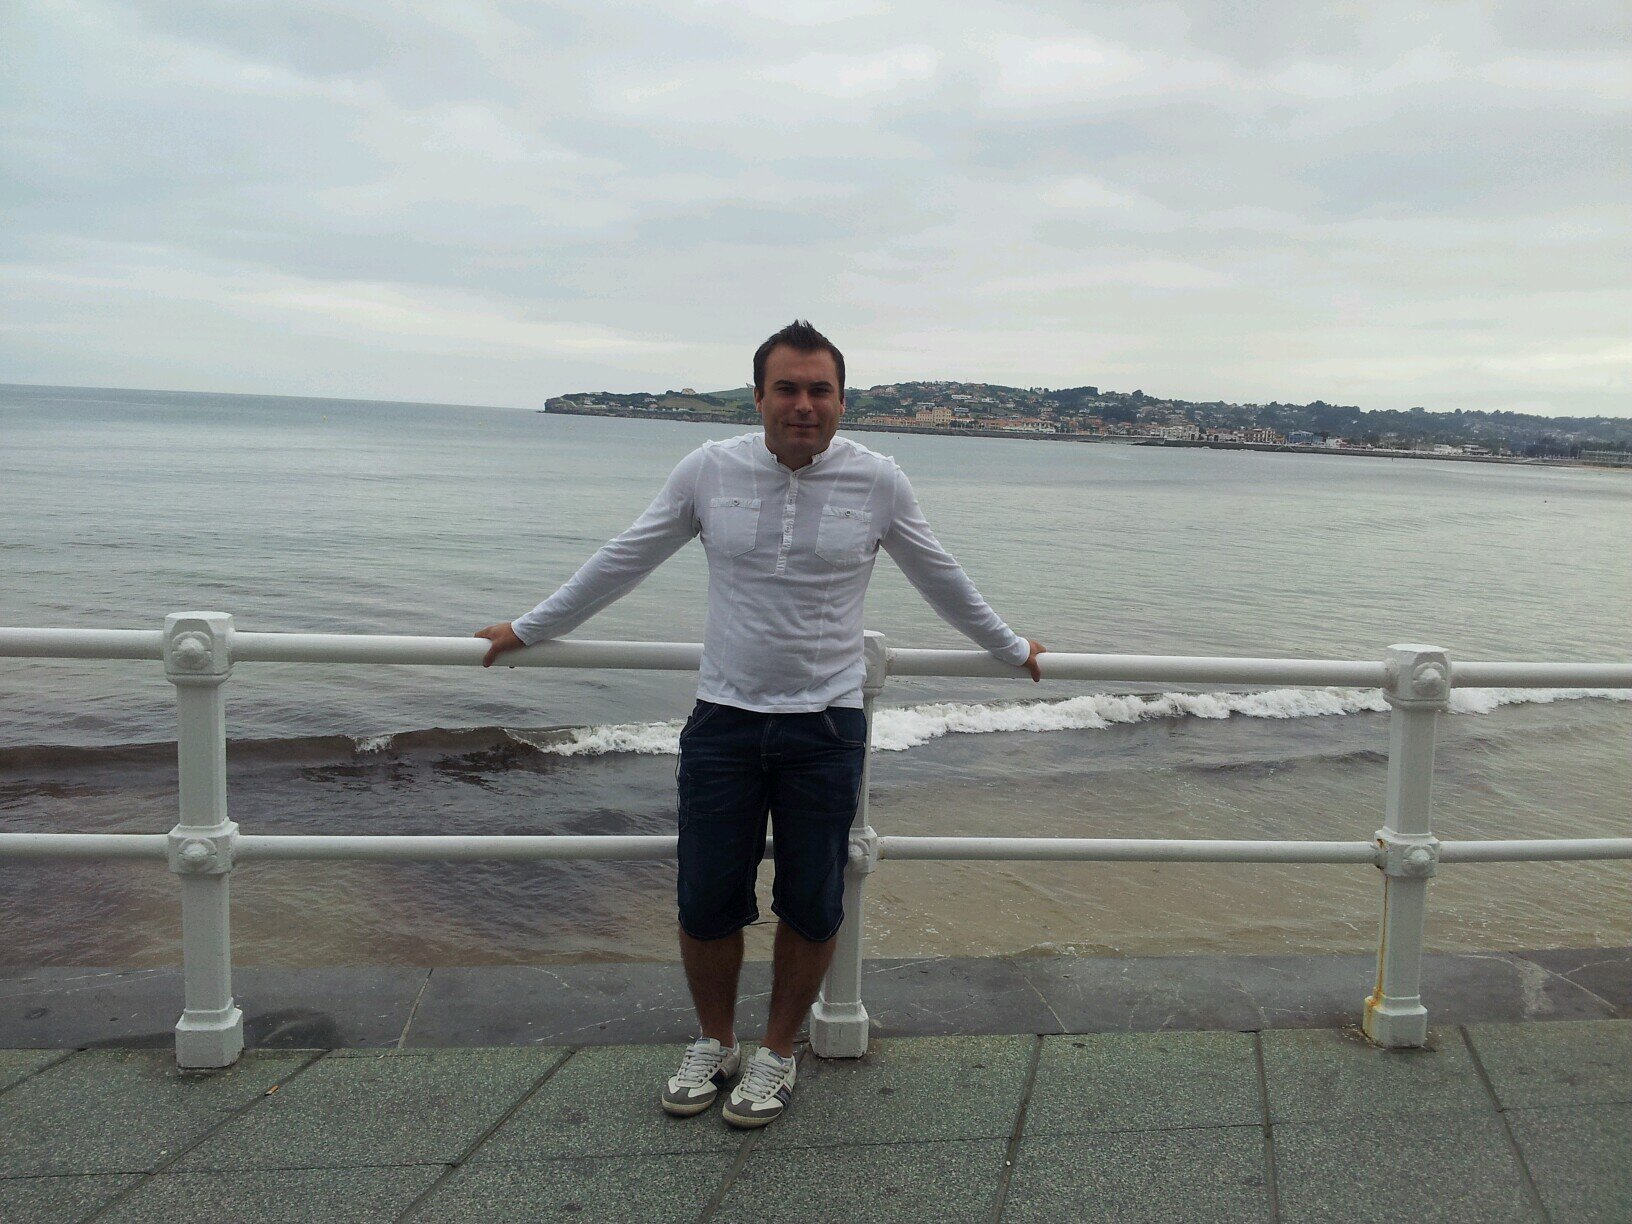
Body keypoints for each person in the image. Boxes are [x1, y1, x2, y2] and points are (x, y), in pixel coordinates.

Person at [476, 320, 1043, 1128]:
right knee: (706, 899)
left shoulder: (880, 481)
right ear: (759, 396)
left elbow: (940, 576)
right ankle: (716, 1041)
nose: (803, 405)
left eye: (820, 390)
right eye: (788, 388)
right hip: (724, 723)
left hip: (827, 728)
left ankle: (777, 1053)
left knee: (811, 903)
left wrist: (1012, 646)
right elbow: (626, 554)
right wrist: (529, 628)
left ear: (843, 400)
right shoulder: (709, 470)